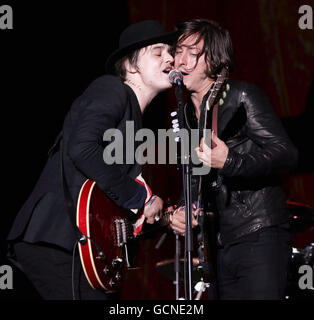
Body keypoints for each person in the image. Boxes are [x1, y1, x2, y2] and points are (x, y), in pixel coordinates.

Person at [6, 20, 177, 300]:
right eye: (158, 52)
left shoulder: (135, 123)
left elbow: (109, 204)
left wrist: (164, 218)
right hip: (59, 238)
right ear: (131, 65)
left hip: (86, 248)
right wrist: (142, 198)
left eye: (170, 51)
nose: (170, 58)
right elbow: (83, 149)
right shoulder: (111, 88)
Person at [169, 18, 298, 300]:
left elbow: (286, 153)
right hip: (217, 243)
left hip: (259, 231)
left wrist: (231, 162)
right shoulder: (186, 116)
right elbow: (195, 176)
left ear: (214, 58)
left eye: (193, 52)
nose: (181, 60)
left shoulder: (241, 96)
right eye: (178, 51)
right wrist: (181, 209)